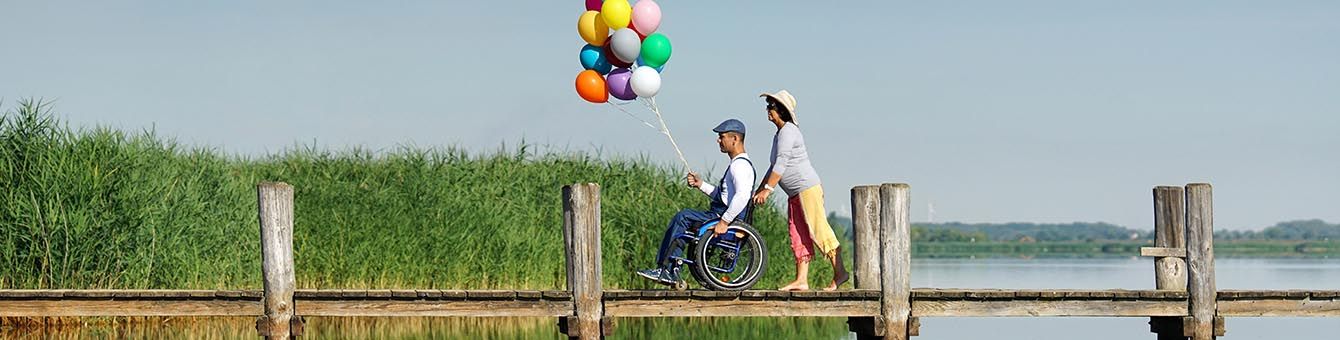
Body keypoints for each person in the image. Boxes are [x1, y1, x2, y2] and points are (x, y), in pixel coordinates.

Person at [637, 119, 757, 286]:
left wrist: (724, 222)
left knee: (683, 217)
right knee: (685, 218)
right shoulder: (736, 165)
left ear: (735, 139)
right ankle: (669, 269)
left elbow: (742, 197)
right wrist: (700, 185)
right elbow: (723, 196)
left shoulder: (740, 166)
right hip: (718, 214)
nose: (718, 140)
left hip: (724, 219)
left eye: (722, 137)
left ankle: (667, 270)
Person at [752, 90, 849, 291]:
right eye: (768, 106)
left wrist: (768, 190)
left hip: (806, 188)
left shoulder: (789, 131)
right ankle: (802, 280)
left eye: (771, 107)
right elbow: (772, 167)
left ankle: (840, 273)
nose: (768, 110)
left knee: (818, 229)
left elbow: (782, 164)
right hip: (794, 193)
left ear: (781, 111)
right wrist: (760, 189)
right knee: (798, 233)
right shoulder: (779, 134)